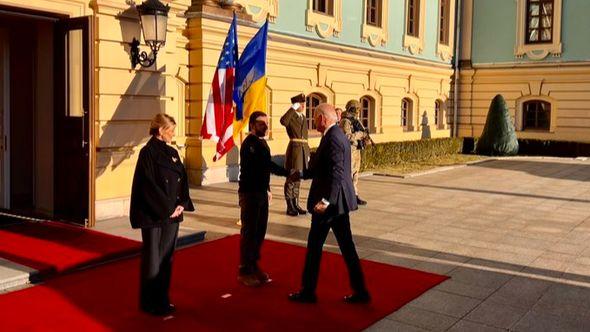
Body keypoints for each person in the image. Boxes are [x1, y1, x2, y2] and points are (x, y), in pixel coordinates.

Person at [288, 103, 370, 304]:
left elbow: (337, 173)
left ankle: (308, 292)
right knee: (346, 247)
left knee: (315, 246)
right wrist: (301, 174)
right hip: (337, 203)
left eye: (315, 118)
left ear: (323, 119)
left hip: (331, 204)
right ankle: (361, 292)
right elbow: (321, 168)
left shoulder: (333, 137)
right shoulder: (335, 135)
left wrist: (326, 201)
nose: (313, 121)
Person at [130, 113, 195, 316]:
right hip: (155, 215)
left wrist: (182, 203)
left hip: (173, 214)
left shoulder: (172, 152)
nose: (173, 134)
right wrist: (168, 208)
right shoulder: (147, 153)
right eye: (171, 130)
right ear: (160, 130)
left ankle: (163, 298)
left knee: (167, 258)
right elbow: (148, 185)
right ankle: (150, 302)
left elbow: (182, 179)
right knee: (153, 259)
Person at [238, 111, 292, 287]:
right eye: (262, 123)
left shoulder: (262, 144)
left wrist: (267, 189)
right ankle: (244, 270)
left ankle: (254, 265)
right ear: (252, 125)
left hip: (260, 192)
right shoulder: (249, 144)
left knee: (259, 231)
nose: (266, 127)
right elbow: (265, 165)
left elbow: (264, 170)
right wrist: (288, 173)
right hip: (250, 193)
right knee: (249, 232)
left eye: (267, 123)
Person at [280, 93, 310, 217]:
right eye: (300, 104)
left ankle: (296, 203)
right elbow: (283, 121)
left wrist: (307, 153)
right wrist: (292, 108)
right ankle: (289, 206)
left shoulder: (303, 118)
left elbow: (306, 137)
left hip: (303, 151)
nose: (303, 106)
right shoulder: (291, 117)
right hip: (295, 151)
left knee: (298, 179)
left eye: (303, 104)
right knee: (291, 179)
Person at [340, 100, 370, 206]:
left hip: (356, 150)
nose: (358, 111)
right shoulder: (345, 121)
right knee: (349, 174)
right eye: (356, 109)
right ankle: (347, 196)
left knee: (356, 174)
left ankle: (355, 195)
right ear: (351, 108)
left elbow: (363, 133)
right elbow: (347, 136)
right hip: (349, 151)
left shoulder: (355, 120)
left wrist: (366, 137)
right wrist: (359, 134)